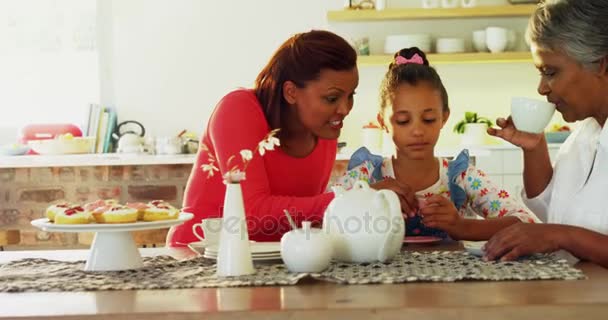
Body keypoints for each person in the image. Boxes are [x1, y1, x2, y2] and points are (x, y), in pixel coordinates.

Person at [166, 30, 360, 246]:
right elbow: (251, 215)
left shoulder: (324, 128)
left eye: (351, 95)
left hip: (269, 260)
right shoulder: (237, 109)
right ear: (291, 92)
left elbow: (298, 219)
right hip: (199, 257)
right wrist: (350, 201)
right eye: (332, 98)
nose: (345, 109)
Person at [335, 47, 539, 241]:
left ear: (444, 117)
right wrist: (367, 198)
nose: (417, 131)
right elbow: (317, 218)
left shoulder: (461, 177)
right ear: (382, 123)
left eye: (429, 119)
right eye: (403, 121)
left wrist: (462, 226)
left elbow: (527, 222)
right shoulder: (366, 176)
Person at [483, 0, 608, 266]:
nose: (541, 88)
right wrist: (534, 148)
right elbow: (551, 209)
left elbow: (558, 232)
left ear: (601, 65)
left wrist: (561, 236)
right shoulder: (584, 136)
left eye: (550, 72)